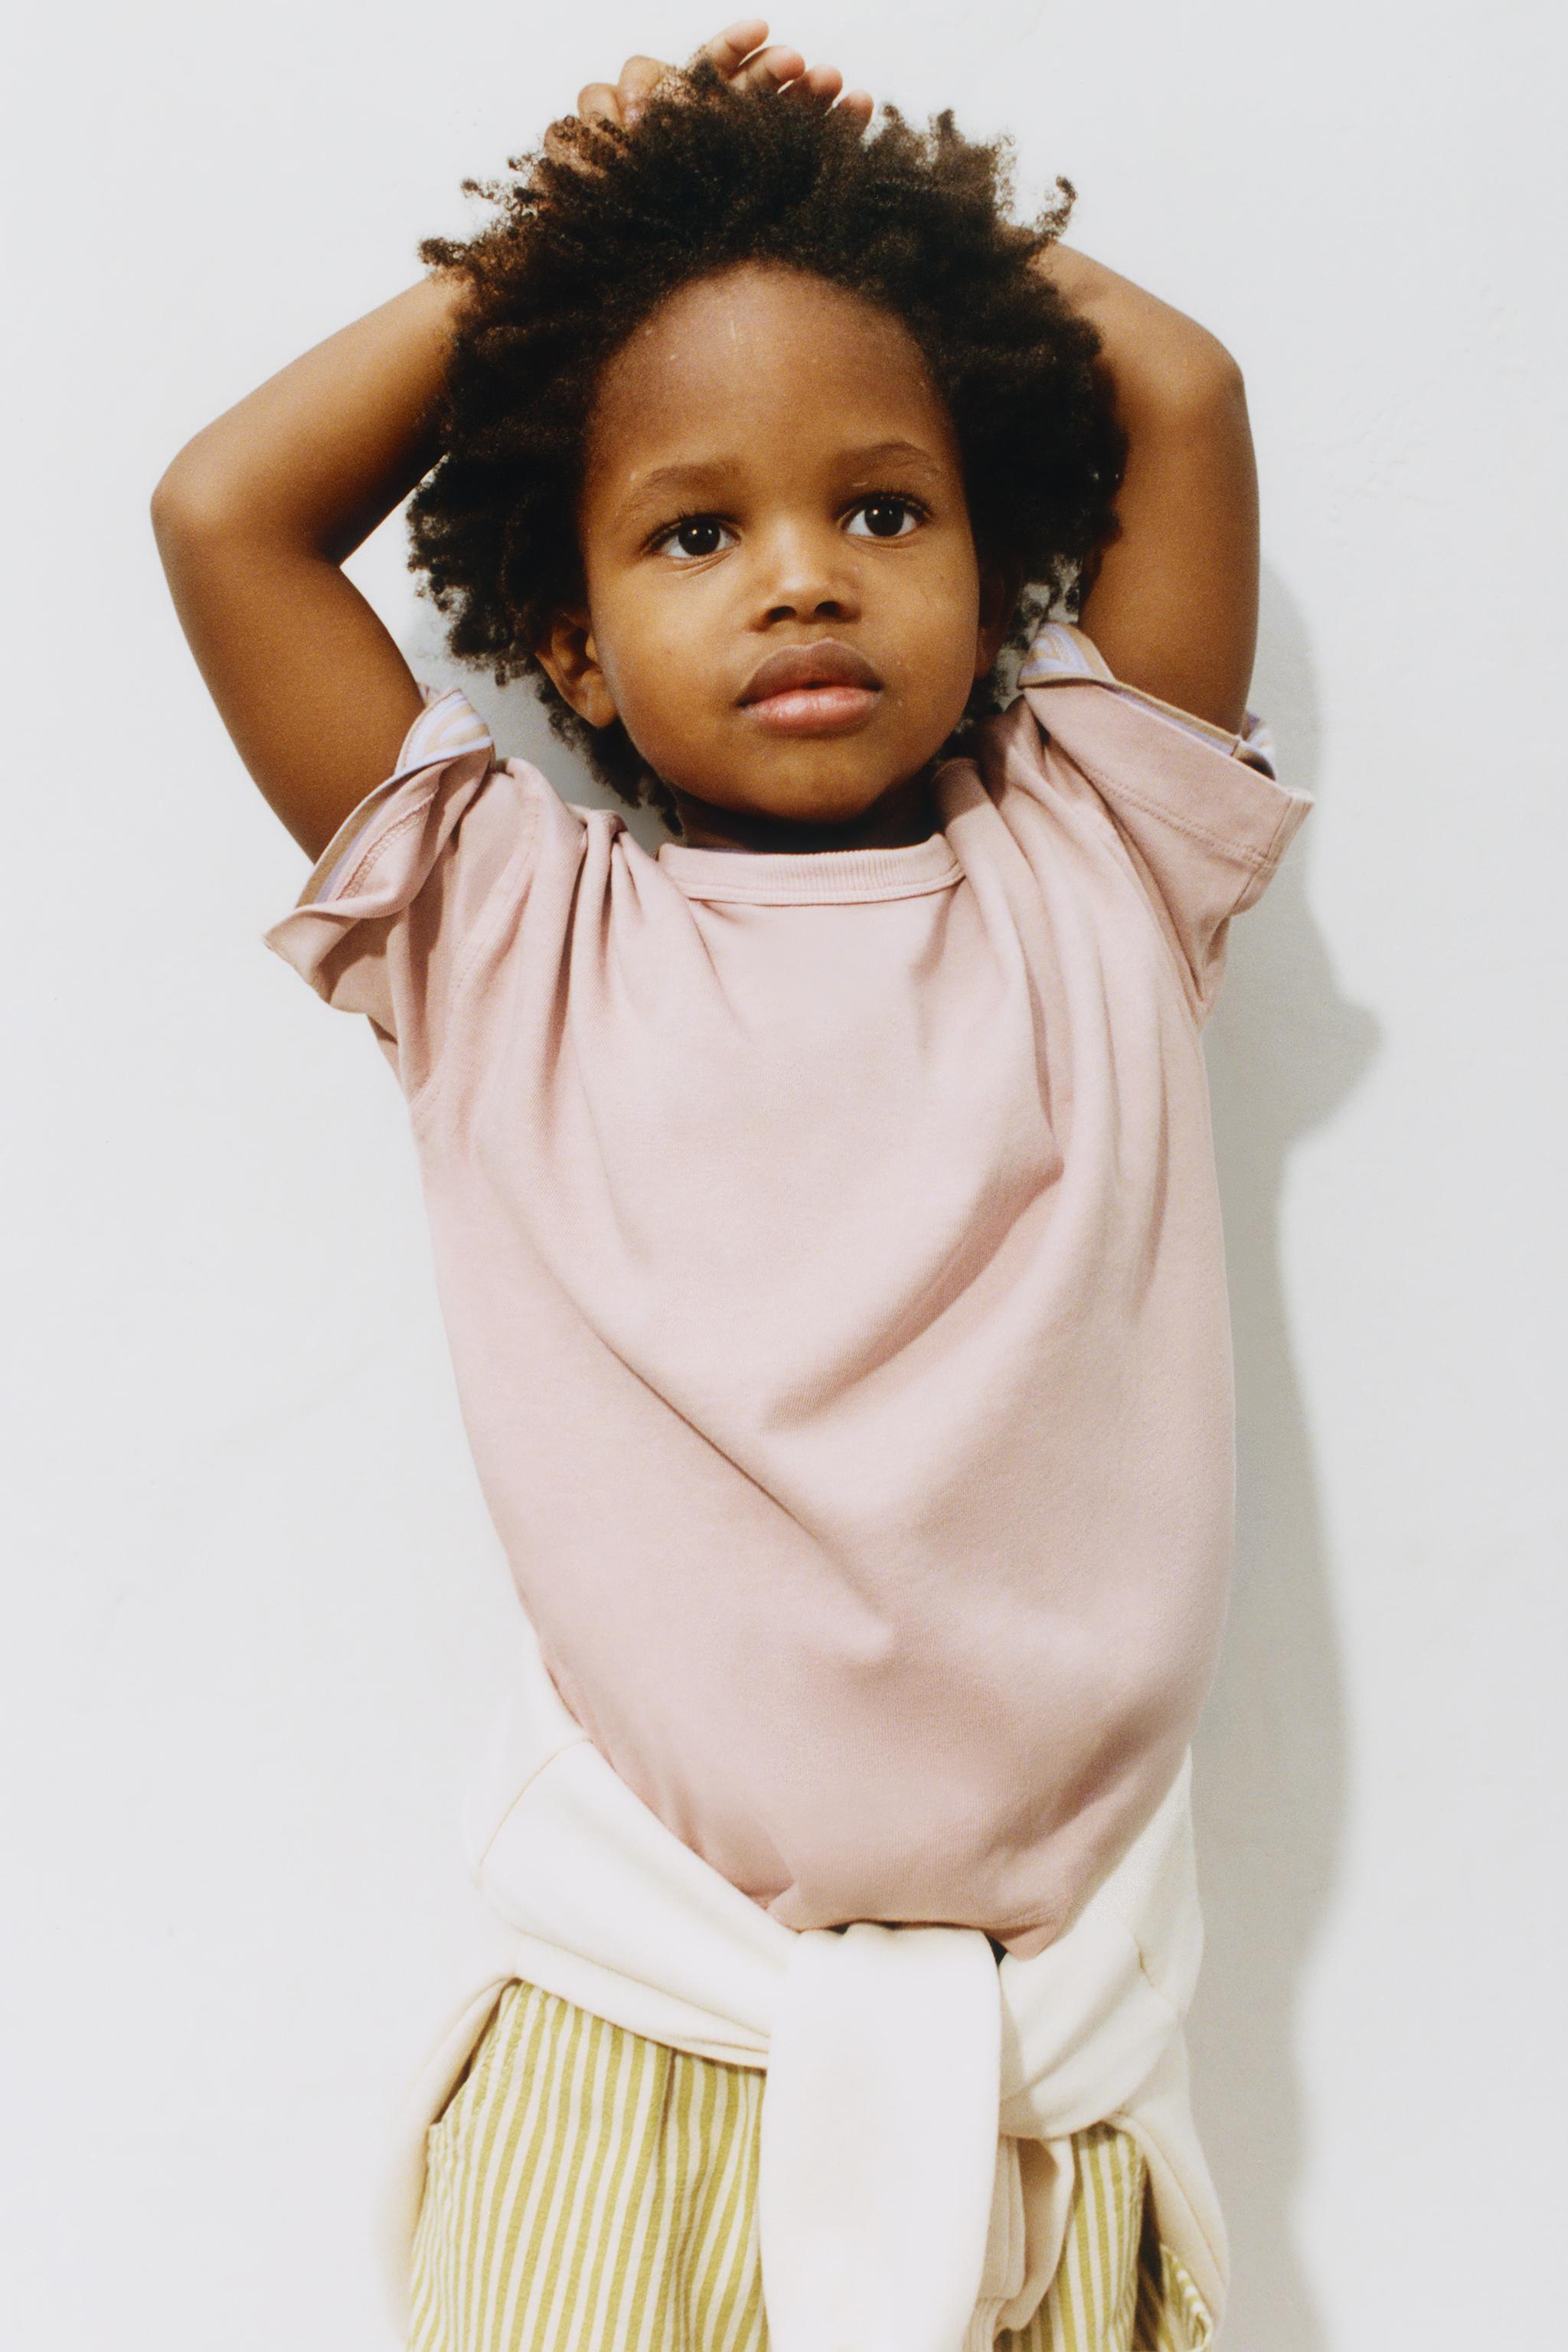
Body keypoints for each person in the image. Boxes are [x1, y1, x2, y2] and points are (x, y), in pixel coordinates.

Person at [152, 23, 1312, 2350]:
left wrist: (884, 210)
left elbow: (1184, 396)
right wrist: (558, 249)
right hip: (630, 2052)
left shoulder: (1100, 871)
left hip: (1047, 2076)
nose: (802, 579)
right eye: (700, 530)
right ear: (566, 638)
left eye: (884, 510)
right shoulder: (506, 937)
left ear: (993, 562)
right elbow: (222, 517)